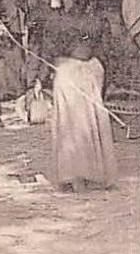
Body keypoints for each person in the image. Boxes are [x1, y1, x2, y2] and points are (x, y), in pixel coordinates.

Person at [46, 16, 117, 192]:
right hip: (80, 70)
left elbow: (49, 50)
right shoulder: (95, 21)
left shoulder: (62, 21)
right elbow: (106, 51)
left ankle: (81, 173)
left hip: (77, 71)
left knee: (78, 122)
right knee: (81, 122)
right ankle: (81, 173)